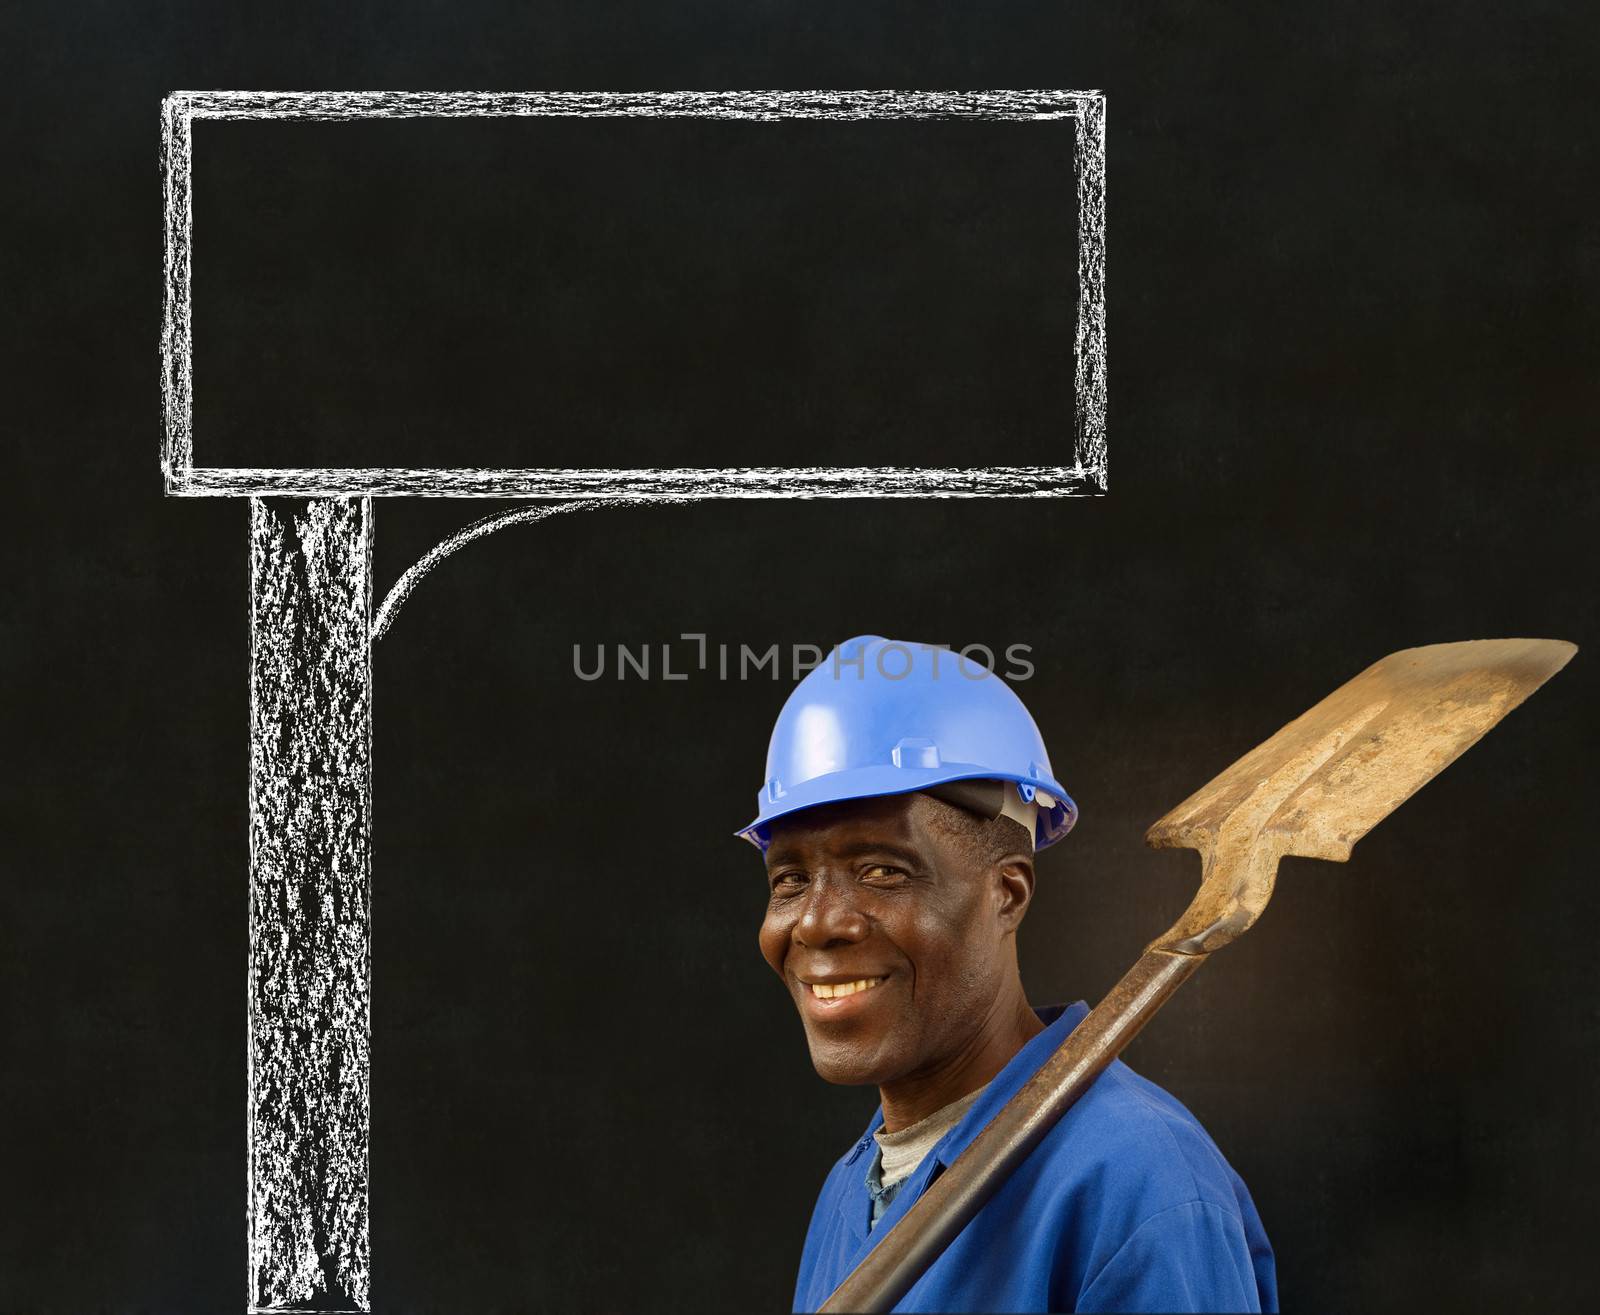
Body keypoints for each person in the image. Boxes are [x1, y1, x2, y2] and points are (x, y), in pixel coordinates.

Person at [738, 636, 1277, 1314]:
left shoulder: (1139, 1180)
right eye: (791, 878)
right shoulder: (852, 1190)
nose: (817, 922)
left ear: (1008, 893)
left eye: (882, 870)